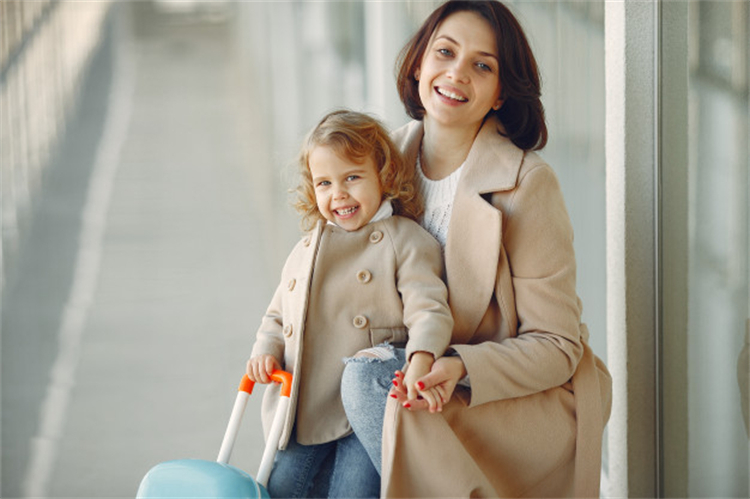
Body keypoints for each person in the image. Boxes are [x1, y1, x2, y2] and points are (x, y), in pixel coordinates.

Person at [340, 1, 613, 497]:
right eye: (445, 52)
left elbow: (557, 345)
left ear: (500, 93)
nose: (456, 73)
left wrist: (462, 366)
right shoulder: (378, 164)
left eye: (482, 65)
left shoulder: (527, 184)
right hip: (407, 380)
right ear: (419, 63)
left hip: (498, 398)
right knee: (327, 422)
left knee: (365, 384)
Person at [246, 110, 454, 498]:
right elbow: (278, 314)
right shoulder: (307, 249)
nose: (338, 193)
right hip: (306, 404)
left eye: (352, 177)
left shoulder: (403, 240)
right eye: (324, 183)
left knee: (353, 491)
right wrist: (266, 349)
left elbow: (429, 309)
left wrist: (423, 355)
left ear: (384, 176)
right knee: (279, 487)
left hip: (362, 408)